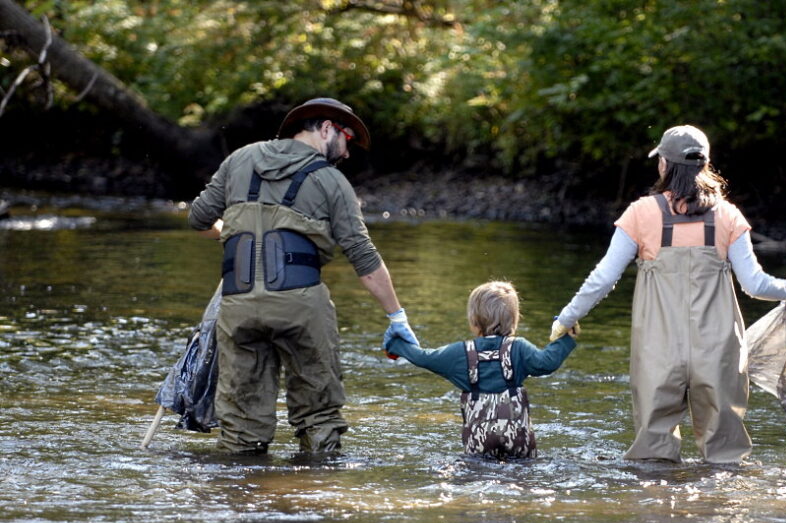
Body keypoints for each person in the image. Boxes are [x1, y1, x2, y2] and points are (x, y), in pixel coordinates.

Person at [549, 125, 786, 464]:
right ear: (705, 166)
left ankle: (660, 511)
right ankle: (719, 512)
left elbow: (603, 278)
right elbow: (756, 286)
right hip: (718, 351)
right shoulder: (727, 215)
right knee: (726, 459)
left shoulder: (640, 213)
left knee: (652, 458)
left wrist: (567, 317)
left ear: (664, 164)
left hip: (657, 351)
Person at [188, 97, 418, 455]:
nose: (347, 152)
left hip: (238, 308)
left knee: (241, 430)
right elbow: (363, 258)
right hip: (300, 307)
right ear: (326, 128)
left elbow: (199, 219)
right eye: (347, 139)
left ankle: (237, 499)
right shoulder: (332, 181)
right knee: (319, 419)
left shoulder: (239, 159)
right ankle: (314, 493)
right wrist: (396, 316)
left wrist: (240, 238)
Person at [385, 281, 578, 460]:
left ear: (474, 322)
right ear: (514, 321)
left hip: (479, 443)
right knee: (523, 472)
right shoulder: (519, 348)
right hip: (518, 440)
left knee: (476, 471)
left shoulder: (459, 353)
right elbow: (547, 362)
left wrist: (396, 345)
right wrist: (567, 338)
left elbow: (424, 357)